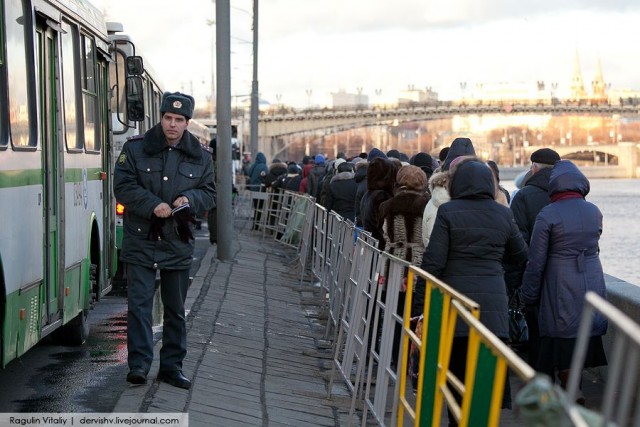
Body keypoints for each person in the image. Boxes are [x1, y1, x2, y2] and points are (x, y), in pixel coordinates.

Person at [114, 92, 216, 389]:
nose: (172, 124)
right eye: (168, 118)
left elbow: (210, 192)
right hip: (141, 238)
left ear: (187, 123)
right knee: (140, 307)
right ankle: (139, 365)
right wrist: (151, 205)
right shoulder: (135, 149)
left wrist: (190, 198)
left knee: (175, 309)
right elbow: (123, 186)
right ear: (161, 118)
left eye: (179, 120)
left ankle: (171, 367)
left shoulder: (201, 157)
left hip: (177, 241)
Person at [418, 158, 528, 424]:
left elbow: (433, 262)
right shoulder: (503, 213)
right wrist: (496, 266)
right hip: (493, 309)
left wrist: (421, 302)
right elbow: (522, 256)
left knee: (456, 376)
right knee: (485, 379)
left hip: (456, 307)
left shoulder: (448, 211)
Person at [520, 160, 608, 402]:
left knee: (561, 335)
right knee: (582, 331)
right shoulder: (594, 211)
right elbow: (595, 246)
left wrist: (528, 294)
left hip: (559, 279)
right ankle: (574, 387)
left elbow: (536, 261)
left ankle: (568, 388)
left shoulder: (548, 214)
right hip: (591, 276)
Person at [509, 147, 560, 365]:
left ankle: (541, 383)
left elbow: (517, 239)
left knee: (537, 333)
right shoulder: (569, 194)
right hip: (565, 275)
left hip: (534, 276)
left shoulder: (523, 196)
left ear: (534, 168)